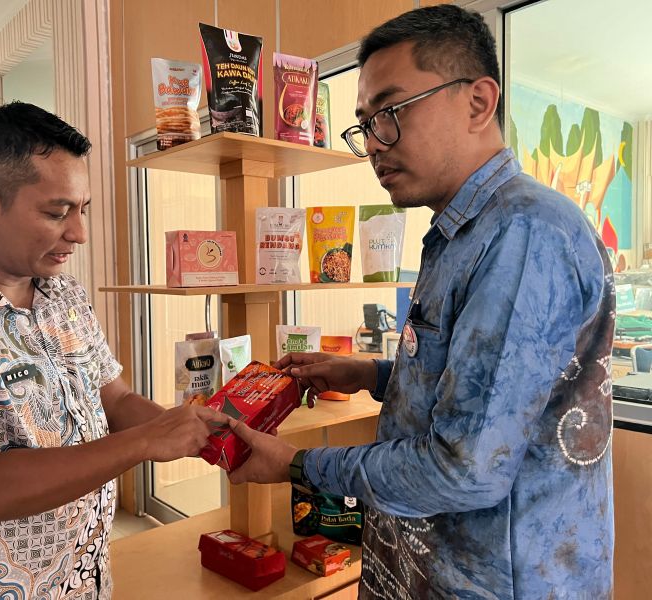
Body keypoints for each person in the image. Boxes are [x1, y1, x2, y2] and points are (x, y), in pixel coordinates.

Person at [228, 5, 614, 599]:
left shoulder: (524, 234)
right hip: (424, 565)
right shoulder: (461, 231)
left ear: (478, 103)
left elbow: (465, 469)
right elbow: (487, 390)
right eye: (364, 124)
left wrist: (297, 465)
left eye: (391, 112)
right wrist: (370, 374)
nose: (373, 144)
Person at [0, 101, 226, 599]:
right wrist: (146, 441)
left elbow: (114, 399)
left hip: (85, 582)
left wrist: (201, 433)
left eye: (82, 209)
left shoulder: (63, 294)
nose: (79, 233)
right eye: (56, 212)